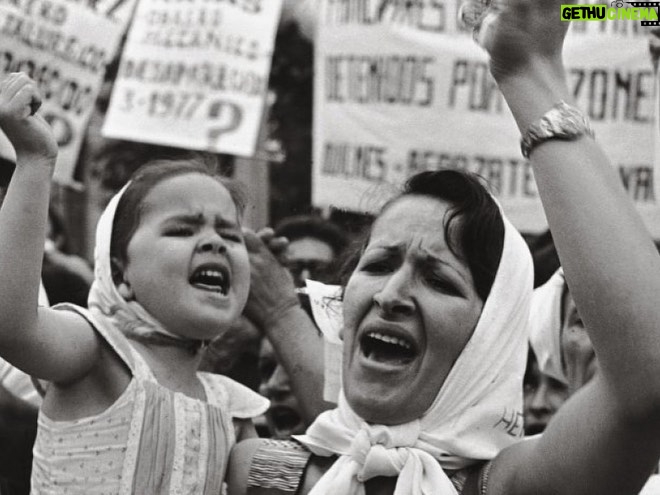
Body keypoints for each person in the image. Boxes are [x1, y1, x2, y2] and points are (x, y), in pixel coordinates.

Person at [226, 0, 660, 493]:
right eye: (380, 263)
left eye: (438, 280)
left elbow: (648, 382)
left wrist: (527, 74)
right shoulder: (257, 470)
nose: (391, 294)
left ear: (489, 339)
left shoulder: (517, 485)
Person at [0, 73, 268, 494]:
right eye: (183, 230)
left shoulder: (234, 409)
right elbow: (11, 327)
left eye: (229, 235)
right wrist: (35, 160)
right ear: (122, 275)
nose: (215, 242)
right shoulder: (97, 351)